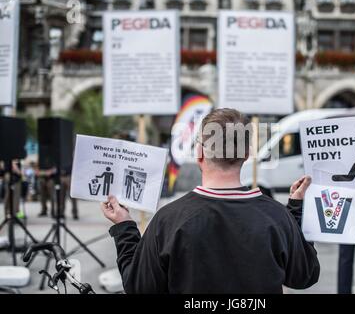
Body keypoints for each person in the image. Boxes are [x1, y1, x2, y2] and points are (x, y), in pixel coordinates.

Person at [101, 108, 320, 294]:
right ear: (246, 154)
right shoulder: (277, 216)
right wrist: (295, 211)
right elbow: (304, 276)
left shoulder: (168, 221)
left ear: (199, 153)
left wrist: (124, 227)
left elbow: (139, 287)